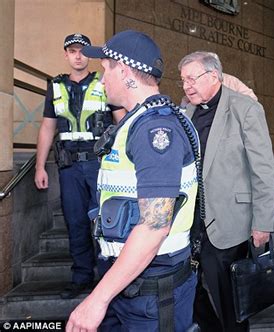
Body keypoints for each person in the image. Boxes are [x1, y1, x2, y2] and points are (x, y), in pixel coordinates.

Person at [65, 29, 199, 331]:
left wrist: (97, 300)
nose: (101, 80)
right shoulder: (140, 120)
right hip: (131, 282)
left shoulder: (155, 130)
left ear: (124, 72)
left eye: (105, 70)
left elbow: (155, 226)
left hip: (151, 292)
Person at [178, 51, 274, 331]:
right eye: (183, 80)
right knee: (189, 291)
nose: (186, 86)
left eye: (192, 78)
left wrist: (262, 223)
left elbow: (264, 170)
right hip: (189, 222)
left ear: (213, 76)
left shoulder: (245, 109)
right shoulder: (184, 112)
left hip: (230, 222)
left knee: (230, 304)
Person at [34, 33, 125, 299]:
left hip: (100, 166)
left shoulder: (105, 82)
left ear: (90, 55)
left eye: (82, 50)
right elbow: (47, 128)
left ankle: (109, 279)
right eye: (72, 51)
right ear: (65, 54)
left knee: (105, 222)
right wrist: (40, 166)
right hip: (69, 168)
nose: (78, 55)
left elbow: (122, 122)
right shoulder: (56, 86)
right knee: (75, 223)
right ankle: (82, 277)